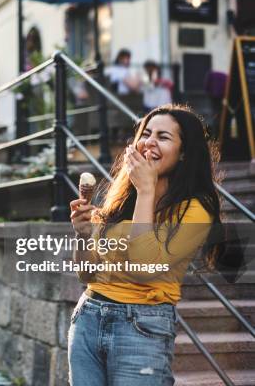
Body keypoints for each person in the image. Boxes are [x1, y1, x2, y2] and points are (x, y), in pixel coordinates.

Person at [68, 104, 222, 386]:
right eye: (146, 133)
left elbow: (144, 269)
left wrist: (146, 190)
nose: (150, 142)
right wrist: (82, 234)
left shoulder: (196, 209)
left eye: (163, 137)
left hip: (142, 326)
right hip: (89, 317)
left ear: (184, 153)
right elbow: (86, 274)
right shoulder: (122, 200)